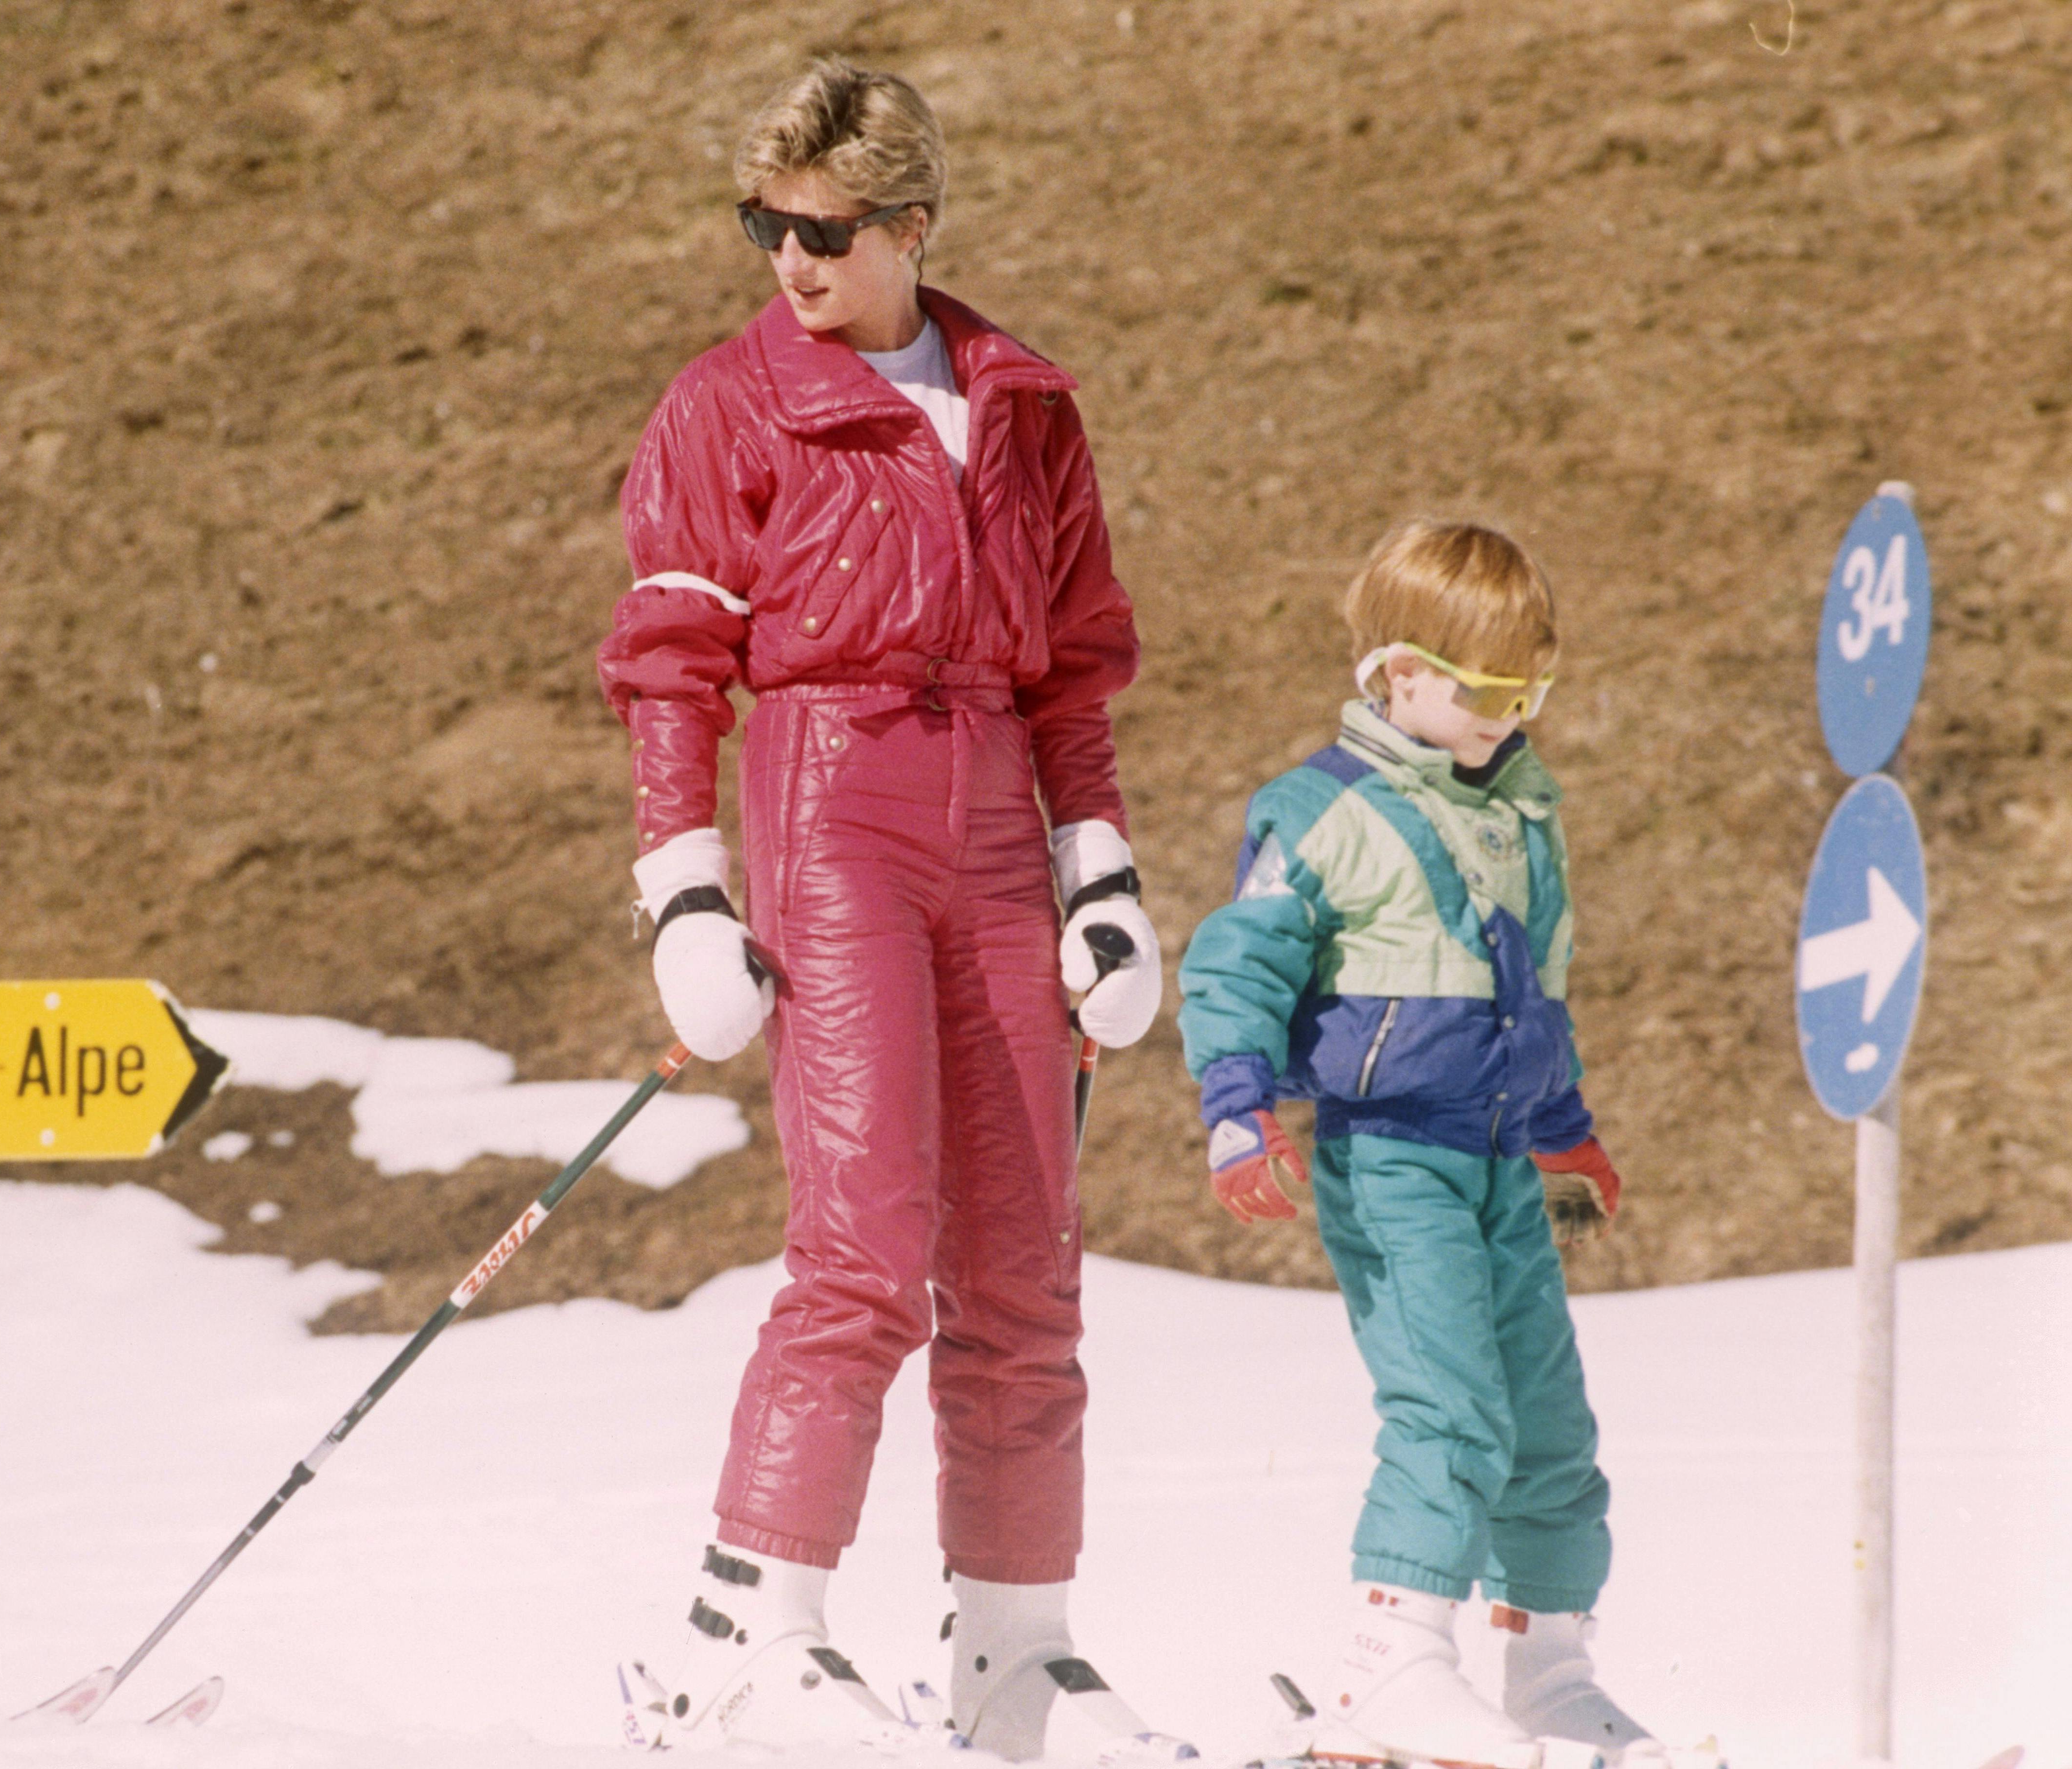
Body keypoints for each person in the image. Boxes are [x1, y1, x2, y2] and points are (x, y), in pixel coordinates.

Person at [600, 60, 1187, 1761]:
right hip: (831, 795)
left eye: (824, 231)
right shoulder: (729, 405)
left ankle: (1014, 1653)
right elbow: (669, 662)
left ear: (911, 226)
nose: (788, 261)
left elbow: (1072, 670)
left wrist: (1097, 871)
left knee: (1023, 1264)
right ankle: (745, 1630)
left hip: (990, 808)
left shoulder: (1023, 407)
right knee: (863, 1247)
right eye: (763, 227)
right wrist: (683, 888)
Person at [1175, 521, 1706, 1768]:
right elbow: (1235, 966)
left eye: (1528, 692)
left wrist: (1563, 1130)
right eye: (1483, 690)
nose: (1505, 716)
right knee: (1449, 1401)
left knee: (1547, 1418)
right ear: (1394, 673)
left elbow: (1531, 996)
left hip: (1499, 1157)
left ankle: (1549, 1666)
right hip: (1391, 1158)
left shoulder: (1517, 812)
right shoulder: (1322, 811)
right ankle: (1389, 1659)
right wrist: (1237, 1107)